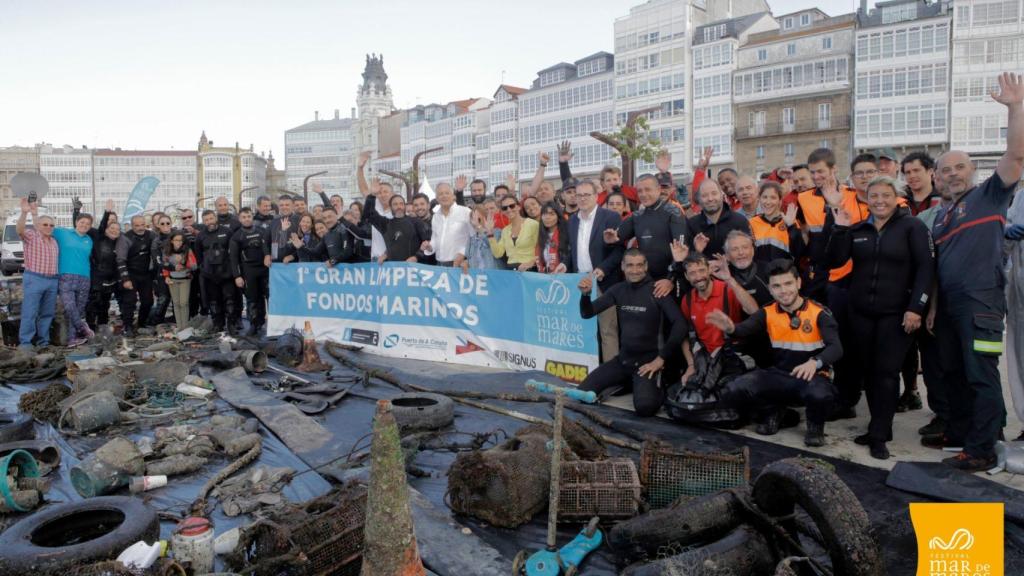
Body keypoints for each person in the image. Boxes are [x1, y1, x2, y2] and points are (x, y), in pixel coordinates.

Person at [923, 72, 1024, 471]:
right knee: (955, 372)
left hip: (981, 303)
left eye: (959, 168)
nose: (952, 175)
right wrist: (931, 305)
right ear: (937, 178)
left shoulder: (989, 196)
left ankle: (983, 447)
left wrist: (1015, 108)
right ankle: (963, 436)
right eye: (945, 170)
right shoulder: (940, 217)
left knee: (981, 374)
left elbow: (1016, 156)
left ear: (973, 170)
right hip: (948, 307)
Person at [828, 176, 934, 460]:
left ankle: (878, 436)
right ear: (866, 198)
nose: (879, 201)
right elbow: (835, 260)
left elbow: (926, 269)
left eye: (885, 195)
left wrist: (916, 308)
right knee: (868, 371)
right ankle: (879, 426)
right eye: (873, 196)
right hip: (860, 312)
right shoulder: (859, 229)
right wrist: (839, 227)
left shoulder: (912, 226)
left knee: (885, 373)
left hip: (897, 314)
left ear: (896, 197)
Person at [709, 259, 842, 446]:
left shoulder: (819, 312)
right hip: (779, 375)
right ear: (770, 290)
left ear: (798, 283)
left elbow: (836, 348)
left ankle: (815, 427)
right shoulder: (767, 311)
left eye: (788, 283)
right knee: (735, 389)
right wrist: (731, 328)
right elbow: (743, 329)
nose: (783, 290)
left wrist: (814, 362)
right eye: (777, 286)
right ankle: (775, 412)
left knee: (820, 394)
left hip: (813, 377)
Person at [577, 249, 689, 417]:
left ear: (646, 266)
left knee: (645, 407)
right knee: (582, 393)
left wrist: (660, 359)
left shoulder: (657, 290)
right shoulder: (618, 290)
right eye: (630, 265)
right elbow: (587, 313)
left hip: (647, 364)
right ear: (622, 266)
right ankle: (628, 382)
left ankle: (659, 385)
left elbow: (680, 325)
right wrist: (585, 295)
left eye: (639, 265)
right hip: (623, 360)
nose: (635, 270)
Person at [604, 174, 689, 297]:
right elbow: (616, 238)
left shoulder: (673, 212)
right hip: (645, 280)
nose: (643, 194)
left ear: (658, 189)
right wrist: (610, 241)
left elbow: (681, 250)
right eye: (640, 191)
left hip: (669, 280)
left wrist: (671, 279)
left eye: (647, 189)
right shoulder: (637, 216)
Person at [569, 180, 623, 362]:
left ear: (596, 196)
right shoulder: (572, 220)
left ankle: (611, 376)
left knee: (608, 331)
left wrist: (603, 269)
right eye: (579, 195)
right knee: (582, 329)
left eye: (587, 195)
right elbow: (572, 251)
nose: (582, 199)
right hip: (580, 281)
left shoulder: (610, 217)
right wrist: (563, 264)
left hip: (603, 281)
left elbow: (619, 251)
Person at [16, 198, 59, 350]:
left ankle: (43, 341)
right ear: (39, 226)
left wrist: (35, 214)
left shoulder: (53, 241)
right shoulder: (32, 236)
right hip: (35, 278)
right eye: (45, 224)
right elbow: (19, 230)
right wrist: (24, 212)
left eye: (51, 225)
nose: (49, 227)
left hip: (52, 280)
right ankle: (26, 343)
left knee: (47, 313)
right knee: (30, 311)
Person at [52, 210, 95, 346]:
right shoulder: (62, 233)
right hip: (66, 276)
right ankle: (82, 328)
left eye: (87, 224)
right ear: (76, 222)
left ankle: (72, 339)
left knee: (79, 308)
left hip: (85, 278)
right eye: (82, 222)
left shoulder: (89, 240)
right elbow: (43, 228)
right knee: (70, 307)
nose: (84, 225)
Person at [230, 208, 271, 336]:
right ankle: (254, 324)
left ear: (252, 217)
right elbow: (233, 259)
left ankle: (273, 324)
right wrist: (237, 276)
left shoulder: (262, 231)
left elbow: (269, 248)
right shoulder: (236, 236)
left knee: (270, 297)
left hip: (265, 270)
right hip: (248, 271)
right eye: (244, 217)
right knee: (252, 299)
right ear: (239, 219)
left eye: (248, 216)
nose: (247, 219)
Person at [195, 210, 236, 333]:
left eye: (211, 218)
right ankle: (218, 324)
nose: (209, 222)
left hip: (226, 273)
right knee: (213, 301)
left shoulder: (227, 231)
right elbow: (198, 255)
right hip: (210, 274)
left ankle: (231, 324)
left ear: (215, 218)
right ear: (203, 222)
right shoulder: (200, 236)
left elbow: (233, 251)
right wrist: (204, 268)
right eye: (206, 220)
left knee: (229, 300)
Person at [687, 179, 751, 258]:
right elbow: (687, 261)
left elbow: (750, 252)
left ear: (722, 195)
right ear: (699, 199)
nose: (710, 199)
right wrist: (697, 251)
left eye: (714, 193)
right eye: (704, 195)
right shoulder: (691, 225)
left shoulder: (739, 221)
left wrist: (728, 261)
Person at [116, 215, 157, 335]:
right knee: (130, 301)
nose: (140, 228)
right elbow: (120, 260)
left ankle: (141, 323)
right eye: (137, 225)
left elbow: (160, 246)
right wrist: (125, 279)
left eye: (142, 225)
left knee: (148, 301)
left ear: (146, 224)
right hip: (131, 273)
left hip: (146, 274)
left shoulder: (151, 235)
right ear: (132, 225)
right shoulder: (125, 238)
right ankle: (127, 326)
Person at [365, 190, 430, 263]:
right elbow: (369, 214)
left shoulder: (416, 222)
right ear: (391, 207)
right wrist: (372, 195)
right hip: (394, 270)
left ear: (404, 206)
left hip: (413, 268)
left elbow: (427, 242)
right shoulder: (385, 224)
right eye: (395, 204)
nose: (399, 206)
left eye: (401, 204)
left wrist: (416, 257)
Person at [749, 181, 802, 264]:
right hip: (761, 274)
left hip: (785, 273)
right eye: (764, 197)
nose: (768, 202)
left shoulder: (790, 221)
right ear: (759, 199)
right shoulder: (752, 222)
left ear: (780, 201)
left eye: (773, 197)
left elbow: (799, 252)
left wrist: (791, 226)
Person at [86, 220, 124, 331]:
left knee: (105, 303)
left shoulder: (119, 243)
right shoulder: (99, 239)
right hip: (97, 277)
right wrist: (107, 212)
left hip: (111, 278)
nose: (114, 231)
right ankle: (90, 327)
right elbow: (101, 227)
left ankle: (103, 326)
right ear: (106, 230)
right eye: (112, 228)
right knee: (94, 302)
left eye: (117, 229)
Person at [423, 182, 471, 267]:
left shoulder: (465, 212)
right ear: (437, 199)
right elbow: (435, 238)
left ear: (453, 196)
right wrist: (429, 247)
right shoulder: (435, 217)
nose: (444, 196)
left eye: (447, 193)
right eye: (440, 194)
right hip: (439, 264)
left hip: (459, 263)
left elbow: (473, 236)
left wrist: (463, 253)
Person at [487, 196, 539, 271]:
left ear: (518, 207)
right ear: (502, 211)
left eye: (512, 206)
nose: (509, 209)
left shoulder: (533, 224)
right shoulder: (505, 230)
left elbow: (542, 249)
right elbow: (498, 253)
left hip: (530, 270)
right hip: (511, 271)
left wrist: (530, 263)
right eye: (505, 208)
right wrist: (490, 233)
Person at [161, 231, 197, 331]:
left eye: (181, 240)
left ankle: (185, 326)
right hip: (173, 279)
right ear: (172, 241)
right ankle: (180, 326)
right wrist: (166, 277)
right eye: (176, 240)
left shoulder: (187, 250)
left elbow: (194, 266)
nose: (179, 242)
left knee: (184, 303)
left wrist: (183, 262)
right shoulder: (167, 251)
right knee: (176, 303)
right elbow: (164, 265)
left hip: (185, 279)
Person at [149, 212, 174, 326]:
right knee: (163, 298)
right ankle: (156, 322)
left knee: (178, 299)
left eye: (167, 223)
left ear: (171, 223)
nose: (165, 225)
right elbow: (157, 260)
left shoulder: (177, 236)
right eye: (162, 223)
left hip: (179, 273)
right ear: (158, 225)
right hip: (162, 273)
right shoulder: (156, 240)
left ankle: (177, 320)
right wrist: (168, 268)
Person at [463, 204, 502, 270]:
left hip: (493, 275)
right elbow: (468, 256)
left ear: (486, 217)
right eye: (472, 218)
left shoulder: (497, 232)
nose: (475, 221)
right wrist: (465, 262)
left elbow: (494, 249)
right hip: (477, 277)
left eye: (478, 218)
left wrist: (479, 227)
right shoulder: (471, 238)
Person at [536, 202, 570, 273]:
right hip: (545, 277)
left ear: (558, 216)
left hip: (563, 277)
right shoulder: (541, 235)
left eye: (552, 214)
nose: (547, 217)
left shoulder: (567, 234)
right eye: (544, 214)